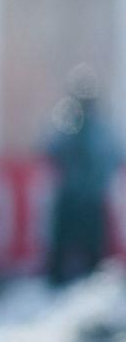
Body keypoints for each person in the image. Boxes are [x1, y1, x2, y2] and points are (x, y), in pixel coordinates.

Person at [45, 64, 121, 287]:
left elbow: (114, 156)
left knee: (94, 253)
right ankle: (57, 286)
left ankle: (92, 291)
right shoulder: (66, 121)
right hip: (70, 198)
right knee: (60, 252)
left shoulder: (100, 127)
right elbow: (50, 148)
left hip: (91, 200)